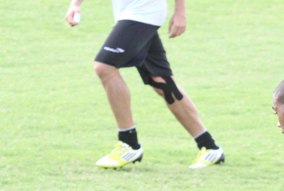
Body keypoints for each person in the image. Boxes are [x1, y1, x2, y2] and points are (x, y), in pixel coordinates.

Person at [65, 0, 224, 169]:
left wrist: (180, 11)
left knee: (104, 67)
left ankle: (129, 143)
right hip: (129, 13)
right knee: (162, 82)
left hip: (144, 13)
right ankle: (210, 147)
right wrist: (75, 4)